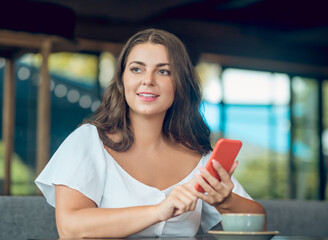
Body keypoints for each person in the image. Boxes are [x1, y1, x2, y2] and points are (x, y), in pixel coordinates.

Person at [35, 28, 265, 238]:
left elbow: (259, 221)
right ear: (122, 79)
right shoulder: (88, 141)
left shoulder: (199, 156)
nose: (148, 80)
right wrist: (158, 211)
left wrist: (226, 201)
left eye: (163, 72)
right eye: (137, 69)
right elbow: (70, 228)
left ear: (179, 83)